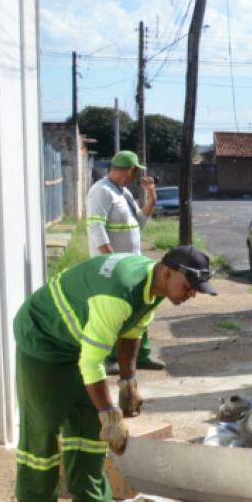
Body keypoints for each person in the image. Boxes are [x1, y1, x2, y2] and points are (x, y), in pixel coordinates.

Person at [13, 246, 217, 502]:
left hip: (77, 341)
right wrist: (110, 415)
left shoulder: (153, 288)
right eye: (188, 287)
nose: (191, 295)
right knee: (43, 428)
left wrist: (128, 381)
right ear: (167, 272)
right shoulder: (118, 294)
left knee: (86, 428)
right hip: (44, 339)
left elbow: (131, 335)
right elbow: (91, 363)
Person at [86, 150, 164, 370]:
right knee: (114, 314)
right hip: (114, 268)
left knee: (141, 309)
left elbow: (139, 222)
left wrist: (151, 195)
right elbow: (95, 226)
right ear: (129, 170)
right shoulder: (101, 191)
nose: (137, 175)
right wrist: (112, 261)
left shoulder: (124, 192)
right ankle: (111, 359)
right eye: (136, 170)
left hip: (132, 265)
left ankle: (141, 356)